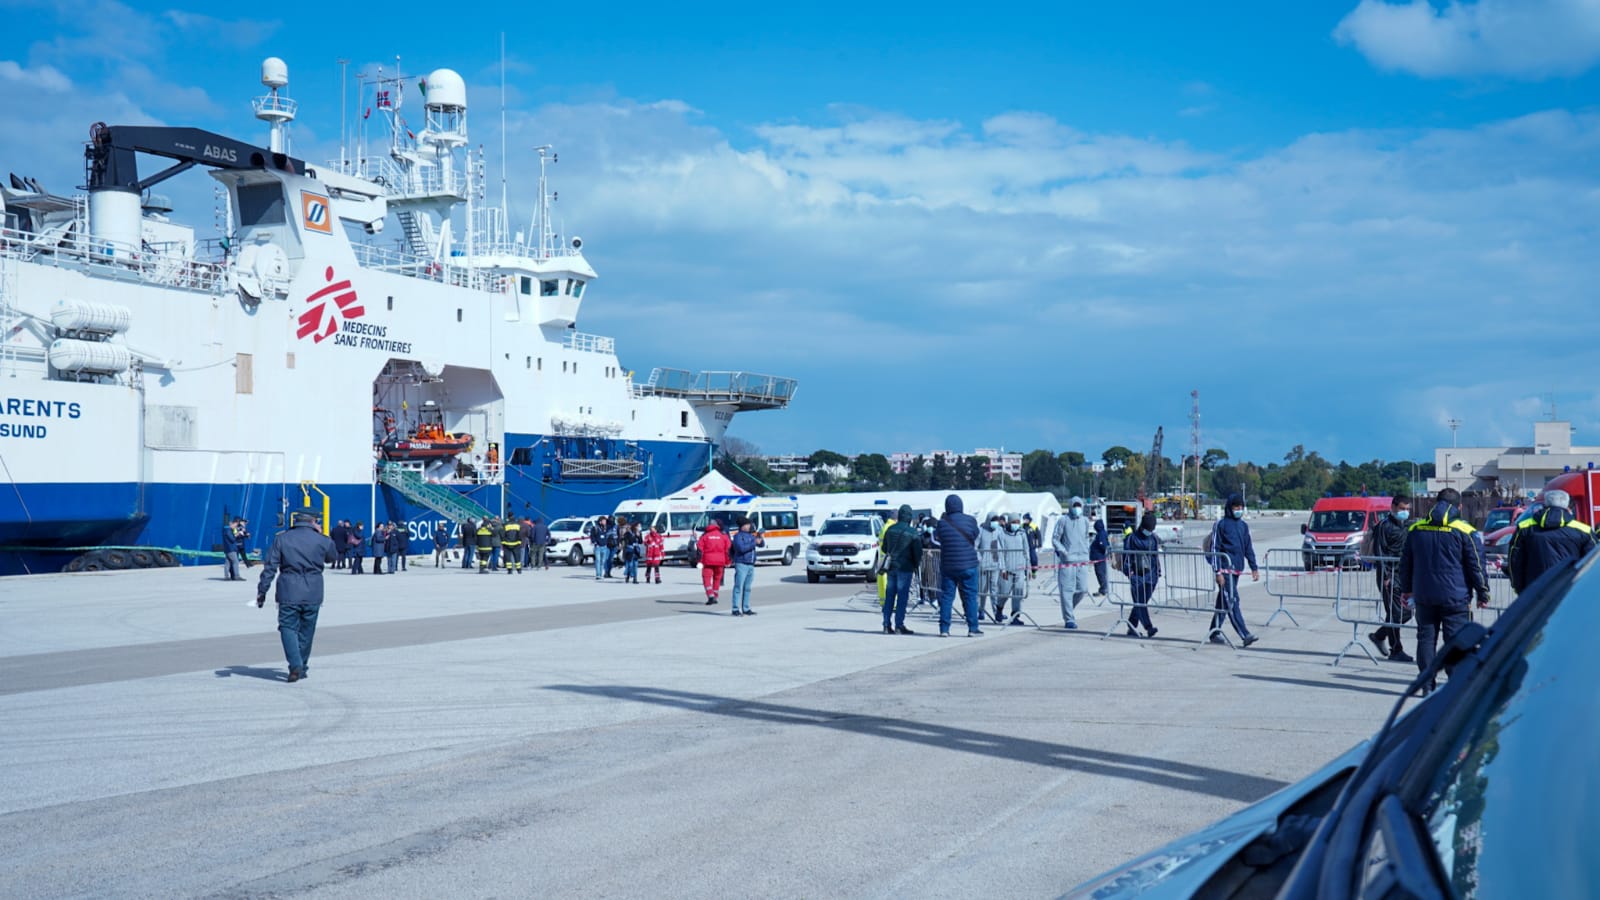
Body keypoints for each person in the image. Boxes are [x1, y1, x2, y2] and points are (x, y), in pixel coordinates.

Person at [1398, 487, 1490, 692]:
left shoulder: (1416, 528)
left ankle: (1427, 686)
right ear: (1459, 507)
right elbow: (1476, 565)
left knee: (1425, 640)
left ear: (1435, 503)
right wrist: (1483, 592)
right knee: (1456, 641)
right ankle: (1454, 686)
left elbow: (1405, 563)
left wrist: (1406, 590)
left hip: (1423, 595)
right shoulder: (1465, 531)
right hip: (1456, 597)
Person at [255, 510, 337, 683]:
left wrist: (262, 590)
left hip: (288, 590)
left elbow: (270, 566)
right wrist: (323, 538)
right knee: (307, 631)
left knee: (287, 627)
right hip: (313, 591)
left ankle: (295, 664)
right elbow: (332, 558)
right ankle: (302, 667)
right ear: (313, 521)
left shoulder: (282, 539)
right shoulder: (322, 540)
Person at [1507, 489, 1595, 594]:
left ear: (1545, 503)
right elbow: (1594, 561)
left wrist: (1518, 586)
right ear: (1567, 505)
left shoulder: (1525, 527)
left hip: (1533, 590)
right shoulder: (1584, 530)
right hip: (1571, 590)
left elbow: (1515, 560)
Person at [1208, 494, 1261, 646]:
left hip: (1236, 570)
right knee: (1232, 601)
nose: (1239, 510)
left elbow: (1247, 547)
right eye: (1236, 507)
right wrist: (1217, 571)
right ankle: (1244, 634)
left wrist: (1254, 567)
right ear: (1230, 508)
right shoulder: (1221, 524)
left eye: (1241, 507)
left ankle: (1214, 631)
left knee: (1223, 603)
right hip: (1225, 571)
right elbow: (1215, 548)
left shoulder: (1243, 526)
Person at [1368, 495, 1413, 662]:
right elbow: (1379, 552)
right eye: (1402, 509)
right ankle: (1396, 649)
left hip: (1404, 575)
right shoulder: (1384, 526)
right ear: (1393, 507)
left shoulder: (1407, 525)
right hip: (1389, 575)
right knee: (1395, 612)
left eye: (1408, 509)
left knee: (1405, 613)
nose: (1405, 512)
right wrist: (1386, 576)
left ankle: (1379, 636)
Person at [935, 494, 982, 637]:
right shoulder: (970, 520)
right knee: (970, 597)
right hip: (968, 564)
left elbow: (938, 538)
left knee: (947, 597)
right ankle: (972, 628)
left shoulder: (942, 523)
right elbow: (975, 536)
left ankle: (944, 629)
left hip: (948, 565)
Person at [1051, 497, 1093, 630]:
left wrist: (1087, 550)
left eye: (1079, 505)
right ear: (1070, 506)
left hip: (1083, 561)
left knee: (1083, 589)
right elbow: (1055, 539)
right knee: (1066, 591)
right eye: (1074, 506)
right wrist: (1063, 551)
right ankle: (1069, 618)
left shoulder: (1085, 521)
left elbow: (1087, 537)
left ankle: (1068, 609)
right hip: (1067, 561)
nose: (1077, 508)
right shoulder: (1063, 520)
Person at [880, 504, 922, 635]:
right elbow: (918, 553)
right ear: (909, 517)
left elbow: (884, 548)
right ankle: (899, 625)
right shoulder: (913, 532)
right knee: (902, 597)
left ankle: (886, 625)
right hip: (905, 568)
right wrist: (916, 565)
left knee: (889, 596)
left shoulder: (890, 529)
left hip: (891, 567)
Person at [1122, 512, 1162, 638]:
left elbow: (1156, 556)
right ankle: (1148, 627)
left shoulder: (1154, 538)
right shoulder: (1131, 538)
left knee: (1141, 602)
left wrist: (1158, 571)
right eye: (1148, 529)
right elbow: (1126, 556)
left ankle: (1131, 626)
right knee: (1140, 602)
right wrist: (1129, 572)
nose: (1150, 531)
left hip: (1151, 576)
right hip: (1137, 576)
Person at [995, 514, 1031, 625]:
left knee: (1018, 594)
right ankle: (999, 609)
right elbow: (1000, 553)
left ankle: (1015, 615)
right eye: (1013, 522)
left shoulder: (1022, 534)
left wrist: (1028, 568)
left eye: (1017, 522)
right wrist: (1003, 569)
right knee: (1004, 593)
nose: (1016, 524)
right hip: (1007, 570)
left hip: (1019, 569)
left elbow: (1026, 550)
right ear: (1009, 522)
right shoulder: (1002, 535)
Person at [728, 517, 765, 616]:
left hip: (751, 564)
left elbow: (761, 545)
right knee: (738, 587)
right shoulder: (738, 536)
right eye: (748, 524)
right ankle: (735, 609)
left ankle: (746, 608)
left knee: (747, 587)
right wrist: (754, 542)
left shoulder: (751, 536)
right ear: (743, 526)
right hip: (741, 563)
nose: (750, 526)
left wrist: (760, 537)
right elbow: (741, 548)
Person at [698, 519, 732, 605]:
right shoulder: (723, 536)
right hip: (720, 561)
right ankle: (715, 595)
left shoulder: (705, 536)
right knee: (717, 579)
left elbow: (699, 550)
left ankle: (710, 596)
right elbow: (728, 550)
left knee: (706, 578)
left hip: (707, 561)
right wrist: (728, 561)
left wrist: (699, 561)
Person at [976, 514, 1003, 622]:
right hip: (983, 565)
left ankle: (997, 612)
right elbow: (975, 546)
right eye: (993, 520)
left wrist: (1002, 563)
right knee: (982, 590)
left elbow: (1002, 547)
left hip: (995, 565)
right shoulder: (981, 530)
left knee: (994, 589)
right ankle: (980, 610)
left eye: (997, 520)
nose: (995, 523)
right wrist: (979, 558)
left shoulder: (999, 531)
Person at [1090, 506, 1111, 598]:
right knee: (1100, 573)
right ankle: (1103, 588)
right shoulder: (1101, 533)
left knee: (1100, 573)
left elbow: (1103, 545)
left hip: (1099, 558)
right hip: (1098, 557)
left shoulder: (1101, 534)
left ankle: (1104, 589)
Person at [221, 517, 246, 581]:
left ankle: (226, 577)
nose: (235, 527)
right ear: (232, 524)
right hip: (231, 549)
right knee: (236, 562)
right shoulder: (228, 530)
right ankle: (236, 576)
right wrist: (237, 534)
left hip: (227, 549)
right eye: (235, 525)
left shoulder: (227, 530)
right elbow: (232, 539)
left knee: (228, 563)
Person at [592, 515, 616, 581]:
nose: (605, 522)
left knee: (603, 561)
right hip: (598, 547)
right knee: (598, 560)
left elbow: (611, 524)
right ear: (600, 521)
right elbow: (592, 536)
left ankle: (601, 574)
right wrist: (595, 543)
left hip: (604, 546)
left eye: (605, 521)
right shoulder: (595, 528)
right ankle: (598, 575)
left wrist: (609, 519)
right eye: (604, 521)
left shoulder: (606, 527)